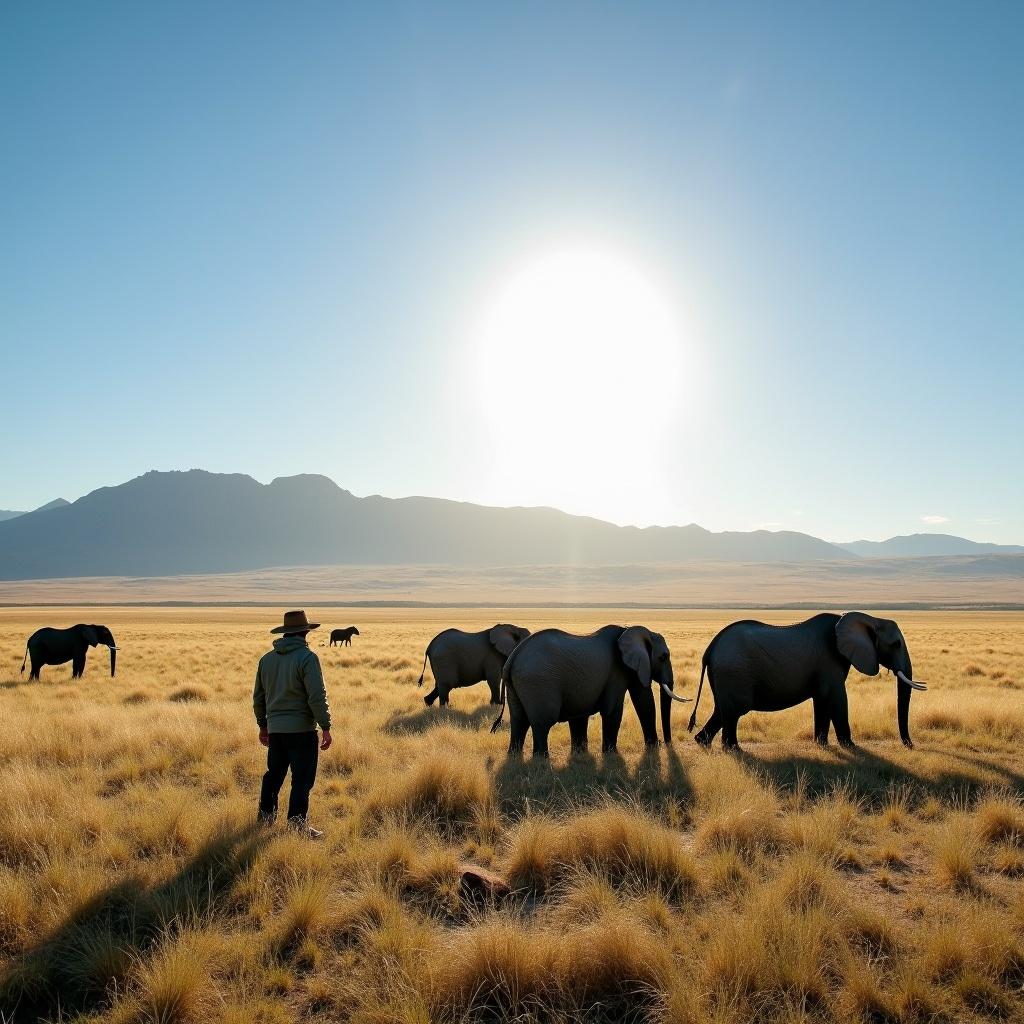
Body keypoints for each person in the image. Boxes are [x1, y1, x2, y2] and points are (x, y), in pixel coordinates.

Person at [253, 609, 332, 838]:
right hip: (302, 730)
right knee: (302, 780)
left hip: (276, 730)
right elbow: (316, 696)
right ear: (305, 632)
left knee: (273, 775)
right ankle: (297, 826)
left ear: (286, 633)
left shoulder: (266, 660)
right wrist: (325, 726)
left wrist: (263, 726)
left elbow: (258, 698)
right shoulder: (308, 658)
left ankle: (266, 819)